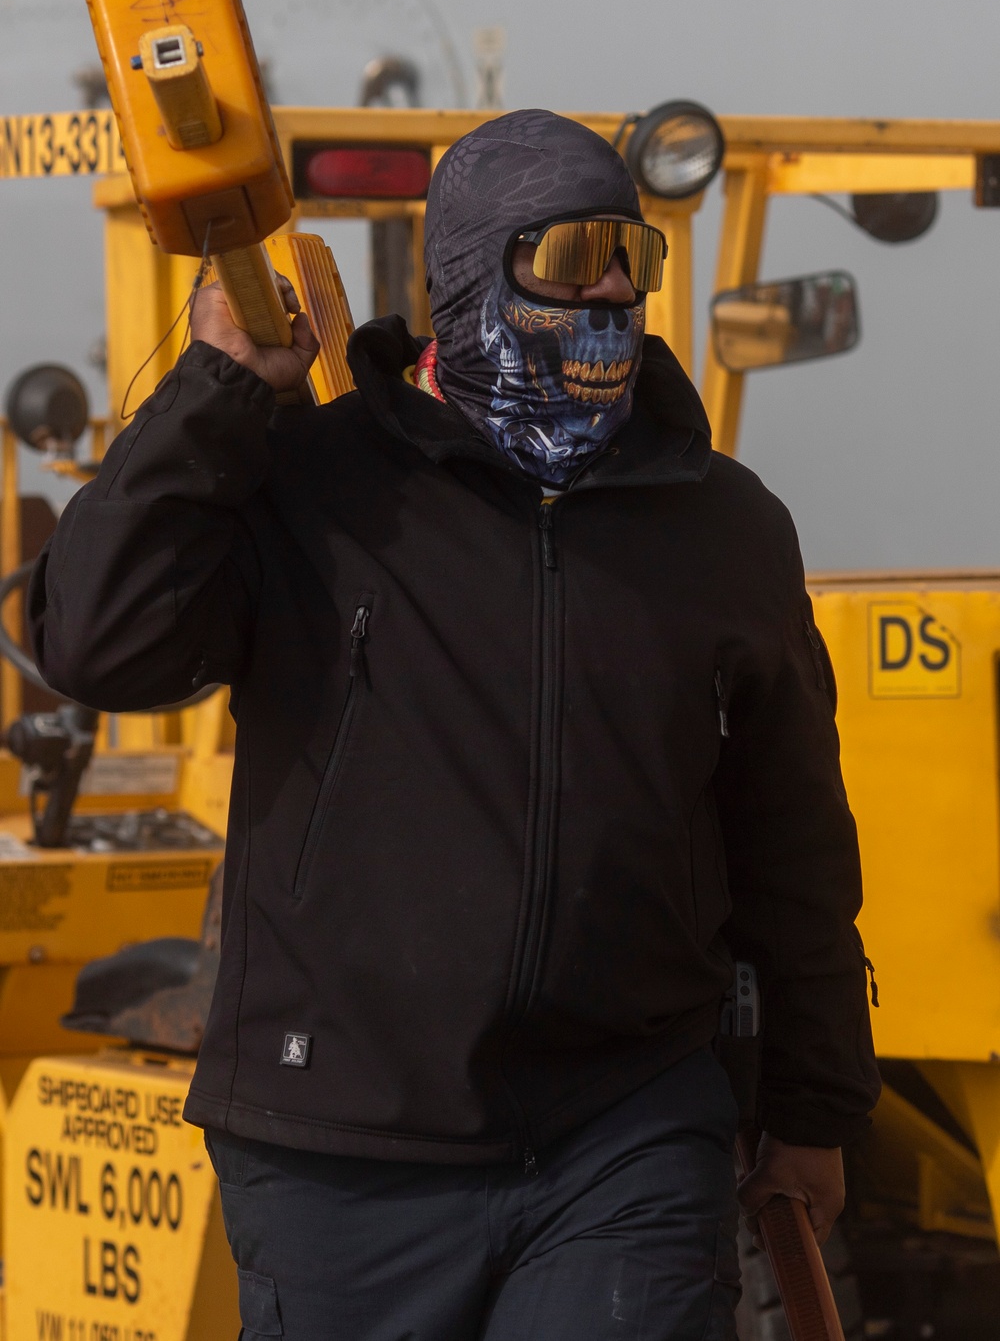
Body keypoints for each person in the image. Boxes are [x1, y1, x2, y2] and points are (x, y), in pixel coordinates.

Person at [30, 109, 879, 1340]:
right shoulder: (312, 486)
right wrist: (216, 393)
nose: (606, 289)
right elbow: (97, 642)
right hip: (342, 1151)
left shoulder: (724, 528)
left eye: (629, 258)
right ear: (475, 272)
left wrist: (814, 1106)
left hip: (622, 1132)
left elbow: (793, 839)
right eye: (569, 253)